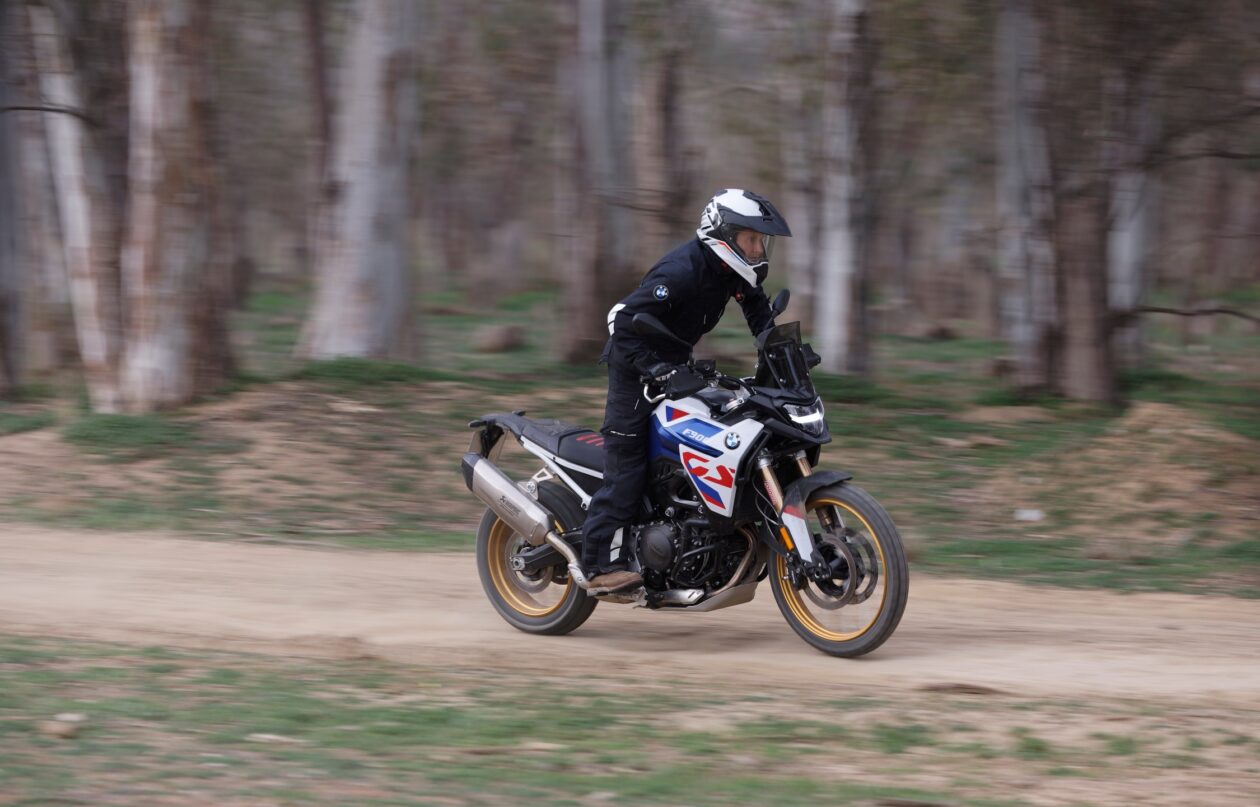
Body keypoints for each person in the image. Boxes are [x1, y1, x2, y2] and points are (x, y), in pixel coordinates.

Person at [581, 189, 792, 594]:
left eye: (760, 242)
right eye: (751, 239)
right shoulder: (681, 271)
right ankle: (594, 565)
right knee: (627, 471)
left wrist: (785, 354)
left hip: (676, 368)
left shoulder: (732, 273)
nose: (757, 249)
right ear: (725, 235)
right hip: (635, 372)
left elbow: (758, 313)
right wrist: (655, 369)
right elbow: (620, 321)